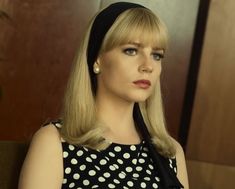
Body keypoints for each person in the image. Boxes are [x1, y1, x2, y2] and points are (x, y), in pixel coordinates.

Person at [18, 2, 188, 189]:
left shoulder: (170, 151)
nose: (148, 65)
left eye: (157, 55)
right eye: (131, 50)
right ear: (97, 59)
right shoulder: (54, 141)